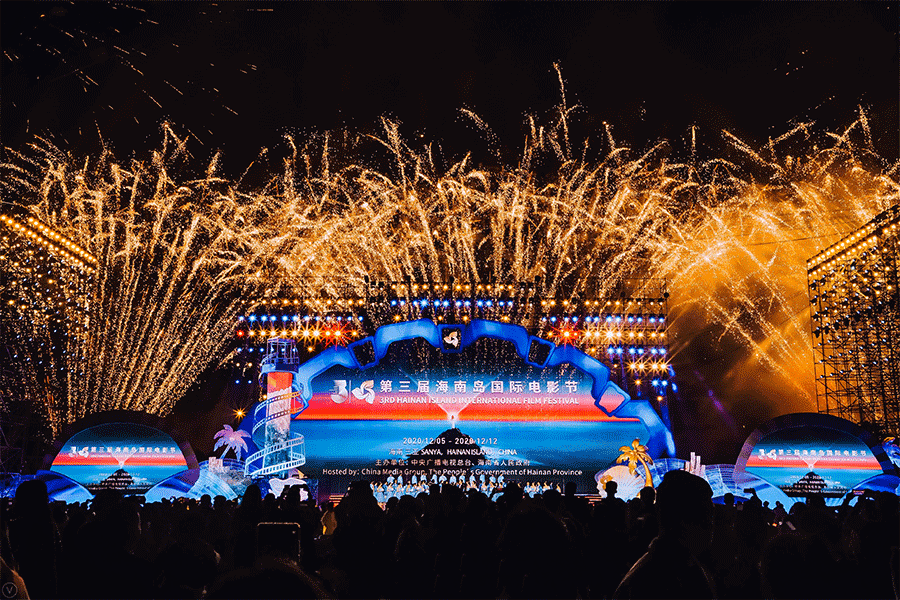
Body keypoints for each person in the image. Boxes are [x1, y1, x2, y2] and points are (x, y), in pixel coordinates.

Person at [614, 470, 715, 599]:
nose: (712, 527)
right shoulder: (654, 581)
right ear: (682, 519)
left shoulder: (685, 567)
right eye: (707, 518)